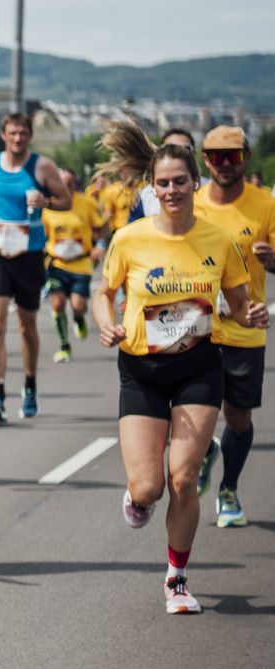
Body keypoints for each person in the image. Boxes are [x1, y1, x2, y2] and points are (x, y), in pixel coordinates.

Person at [93, 122, 267, 614]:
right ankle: (140, 497)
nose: (171, 190)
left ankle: (176, 580)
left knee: (184, 479)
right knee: (148, 487)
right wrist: (108, 324)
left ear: (195, 183)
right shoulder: (129, 239)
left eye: (180, 181)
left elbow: (236, 303)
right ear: (153, 187)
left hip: (198, 368)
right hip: (143, 369)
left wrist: (249, 312)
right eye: (162, 183)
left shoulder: (217, 239)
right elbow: (103, 294)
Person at [193, 125, 275, 528]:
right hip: (196, 327)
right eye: (217, 156)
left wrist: (272, 259)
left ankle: (229, 490)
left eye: (234, 156)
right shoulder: (191, 203)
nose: (226, 164)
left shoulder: (265, 205)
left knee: (238, 418)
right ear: (206, 160)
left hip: (245, 327)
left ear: (245, 157)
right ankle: (204, 452)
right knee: (195, 411)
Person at [0, 113, 72, 423]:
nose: (17, 139)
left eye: (22, 134)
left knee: (26, 325)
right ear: (3, 135)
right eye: (12, 133)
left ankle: (30, 385)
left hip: (29, 253)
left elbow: (66, 200)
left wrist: (46, 202)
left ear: (29, 136)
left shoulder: (41, 166)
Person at [40, 168, 106, 363]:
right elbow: (42, 234)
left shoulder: (86, 203)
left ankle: (79, 319)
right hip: (56, 263)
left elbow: (101, 225)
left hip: (81, 264)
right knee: (58, 304)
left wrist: (99, 245)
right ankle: (64, 346)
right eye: (61, 183)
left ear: (75, 184)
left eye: (69, 183)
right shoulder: (48, 207)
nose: (65, 187)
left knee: (78, 305)